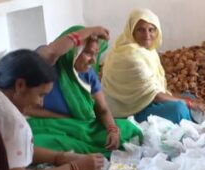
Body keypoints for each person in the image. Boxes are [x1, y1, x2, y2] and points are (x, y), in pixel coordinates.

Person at [28, 25, 142, 157]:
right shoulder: (48, 66)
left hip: (82, 126)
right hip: (49, 125)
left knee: (127, 128)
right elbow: (51, 52)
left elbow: (102, 109)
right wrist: (91, 31)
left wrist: (112, 130)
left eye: (95, 54)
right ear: (73, 52)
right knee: (38, 142)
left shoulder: (88, 74)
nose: (93, 60)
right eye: (88, 53)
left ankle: (81, 149)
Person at [102, 8, 205, 125]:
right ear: (132, 31)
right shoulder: (131, 56)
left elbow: (156, 90)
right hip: (133, 110)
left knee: (189, 96)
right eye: (141, 30)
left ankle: (192, 118)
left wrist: (187, 100)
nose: (147, 35)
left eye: (151, 30)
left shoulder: (146, 50)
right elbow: (155, 96)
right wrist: (189, 103)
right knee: (179, 109)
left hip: (147, 100)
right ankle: (192, 121)